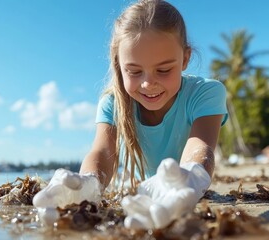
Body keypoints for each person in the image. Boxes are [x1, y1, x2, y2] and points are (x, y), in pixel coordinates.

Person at [33, 0, 228, 230]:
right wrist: (88, 182)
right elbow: (102, 152)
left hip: (185, 186)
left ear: (185, 59)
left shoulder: (206, 93)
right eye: (134, 71)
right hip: (138, 189)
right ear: (120, 64)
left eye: (164, 70)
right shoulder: (112, 103)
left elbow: (200, 145)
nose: (148, 83)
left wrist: (190, 176)